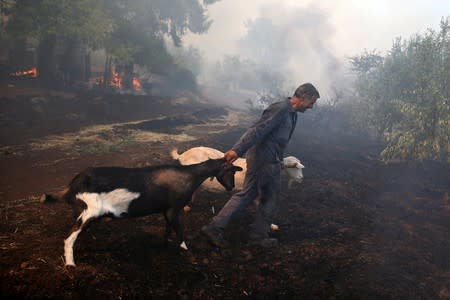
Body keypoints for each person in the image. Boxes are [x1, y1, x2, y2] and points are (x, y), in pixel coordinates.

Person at [201, 83, 320, 248]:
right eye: (312, 102)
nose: (312, 107)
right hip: (262, 160)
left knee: (271, 197)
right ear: (304, 97)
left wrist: (278, 161)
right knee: (248, 194)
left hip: (272, 161)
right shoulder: (280, 109)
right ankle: (215, 227)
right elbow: (257, 130)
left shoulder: (292, 114)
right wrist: (237, 150)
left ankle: (257, 236)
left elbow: (278, 141)